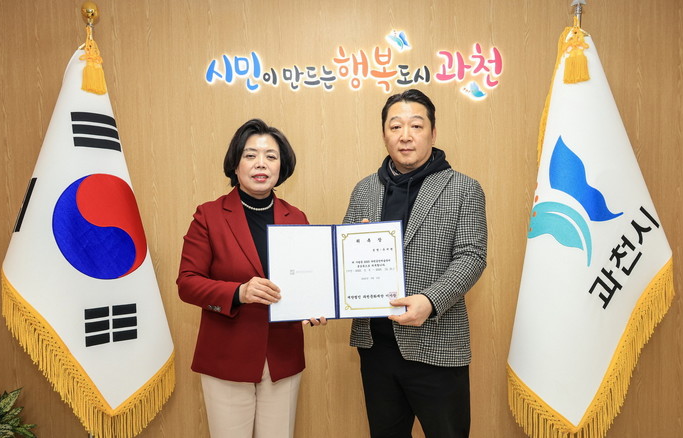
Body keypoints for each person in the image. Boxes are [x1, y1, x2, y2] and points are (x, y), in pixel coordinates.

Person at [343, 89, 487, 437]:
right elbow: (341, 258)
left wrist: (430, 301)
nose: (405, 135)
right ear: (384, 135)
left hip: (437, 342)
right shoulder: (364, 190)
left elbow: (472, 256)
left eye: (416, 126)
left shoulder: (463, 188)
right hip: (377, 347)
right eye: (395, 126)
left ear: (433, 133)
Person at [177, 118, 325, 438]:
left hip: (282, 357)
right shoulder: (209, 215)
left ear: (282, 166)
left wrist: (317, 304)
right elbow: (187, 283)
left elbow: (309, 280)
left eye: (271, 156)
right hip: (227, 356)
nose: (261, 163)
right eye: (250, 155)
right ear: (236, 164)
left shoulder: (297, 217)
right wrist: (239, 293)